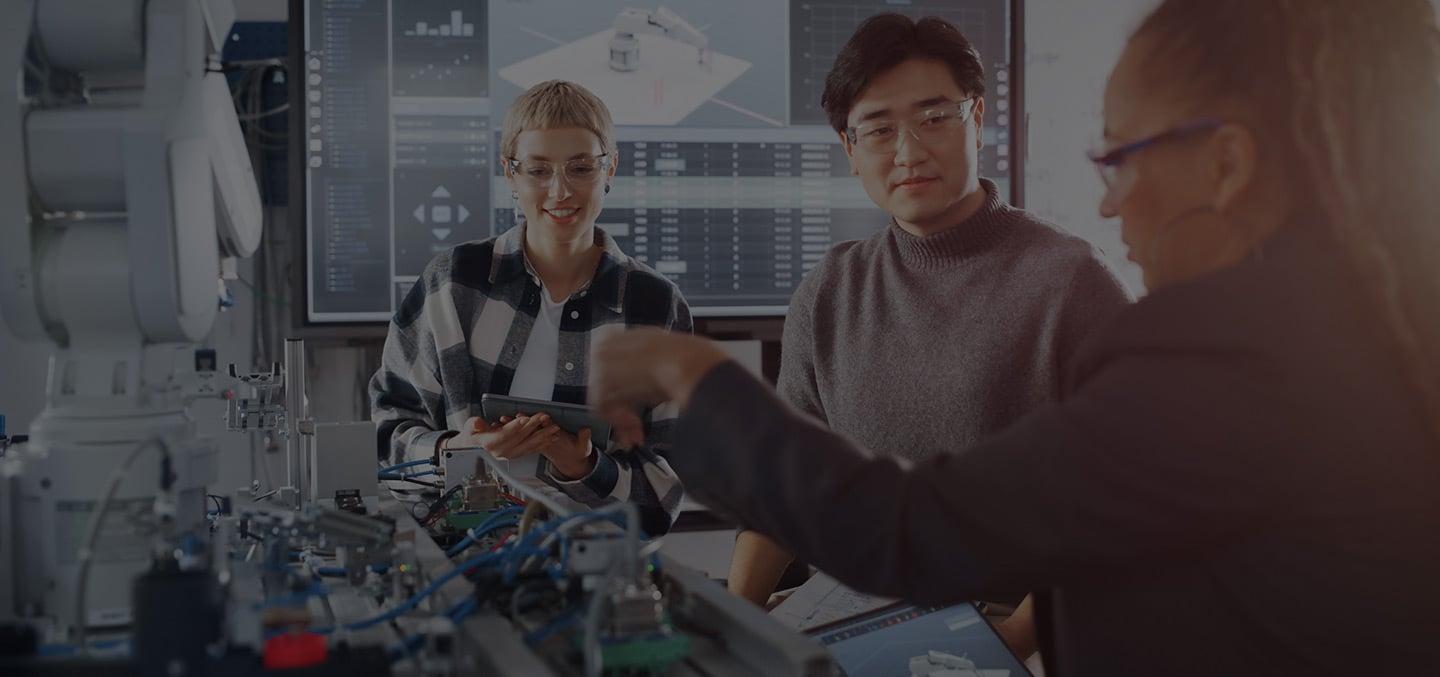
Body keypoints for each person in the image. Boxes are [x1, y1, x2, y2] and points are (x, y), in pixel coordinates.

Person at [587, 1, 1440, 673]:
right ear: (850, 147)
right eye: (877, 128)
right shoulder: (1356, 315)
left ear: (1227, 164)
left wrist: (684, 366)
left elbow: (914, 529)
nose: (1108, 201)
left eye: (1122, 158)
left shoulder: (1225, 351)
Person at [726, 13, 1129, 658]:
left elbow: (1120, 504)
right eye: (879, 129)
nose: (908, 151)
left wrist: (1011, 642)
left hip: (1008, 625)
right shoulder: (830, 289)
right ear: (849, 150)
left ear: (976, 118)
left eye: (933, 118)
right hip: (850, 612)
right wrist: (728, 624)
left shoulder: (1070, 281)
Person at [371, 80, 692, 537]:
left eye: (581, 168)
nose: (560, 191)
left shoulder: (654, 305)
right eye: (538, 170)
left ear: (610, 169)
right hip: (460, 554)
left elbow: (664, 495)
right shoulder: (452, 282)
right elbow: (386, 438)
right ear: (511, 174)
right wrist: (459, 449)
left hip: (598, 568)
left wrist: (582, 466)